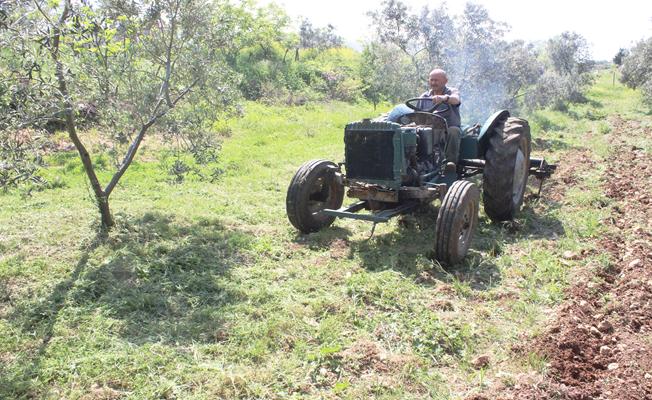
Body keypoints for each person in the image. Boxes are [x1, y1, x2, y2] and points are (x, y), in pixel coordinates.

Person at [418, 68, 462, 165]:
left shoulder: (451, 92)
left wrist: (444, 98)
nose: (433, 83)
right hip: (429, 130)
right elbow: (417, 115)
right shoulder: (424, 96)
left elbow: (456, 100)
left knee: (454, 131)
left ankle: (450, 165)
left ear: (445, 81)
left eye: (436, 80)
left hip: (447, 129)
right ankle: (416, 164)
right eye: (431, 80)